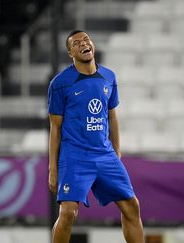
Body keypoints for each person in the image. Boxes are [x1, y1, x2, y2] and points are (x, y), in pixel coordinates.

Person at [47, 30, 144, 243]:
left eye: (86, 39)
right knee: (68, 213)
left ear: (92, 45)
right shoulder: (60, 83)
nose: (83, 43)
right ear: (70, 52)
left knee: (131, 206)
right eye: (76, 43)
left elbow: (112, 117)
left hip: (104, 154)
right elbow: (55, 128)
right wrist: (52, 168)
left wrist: (116, 153)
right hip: (75, 156)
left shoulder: (109, 77)